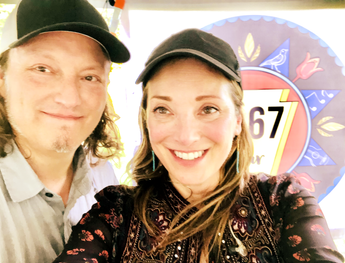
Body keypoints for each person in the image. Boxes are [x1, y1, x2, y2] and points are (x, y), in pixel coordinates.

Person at [53, 29, 344, 263]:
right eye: (163, 110)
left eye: (208, 109)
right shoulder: (115, 213)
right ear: (147, 121)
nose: (186, 136)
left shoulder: (283, 201)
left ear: (238, 121)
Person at [0, 0, 130, 262]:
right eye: (42, 69)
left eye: (89, 77)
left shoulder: (103, 176)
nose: (69, 98)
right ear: (0, 78)